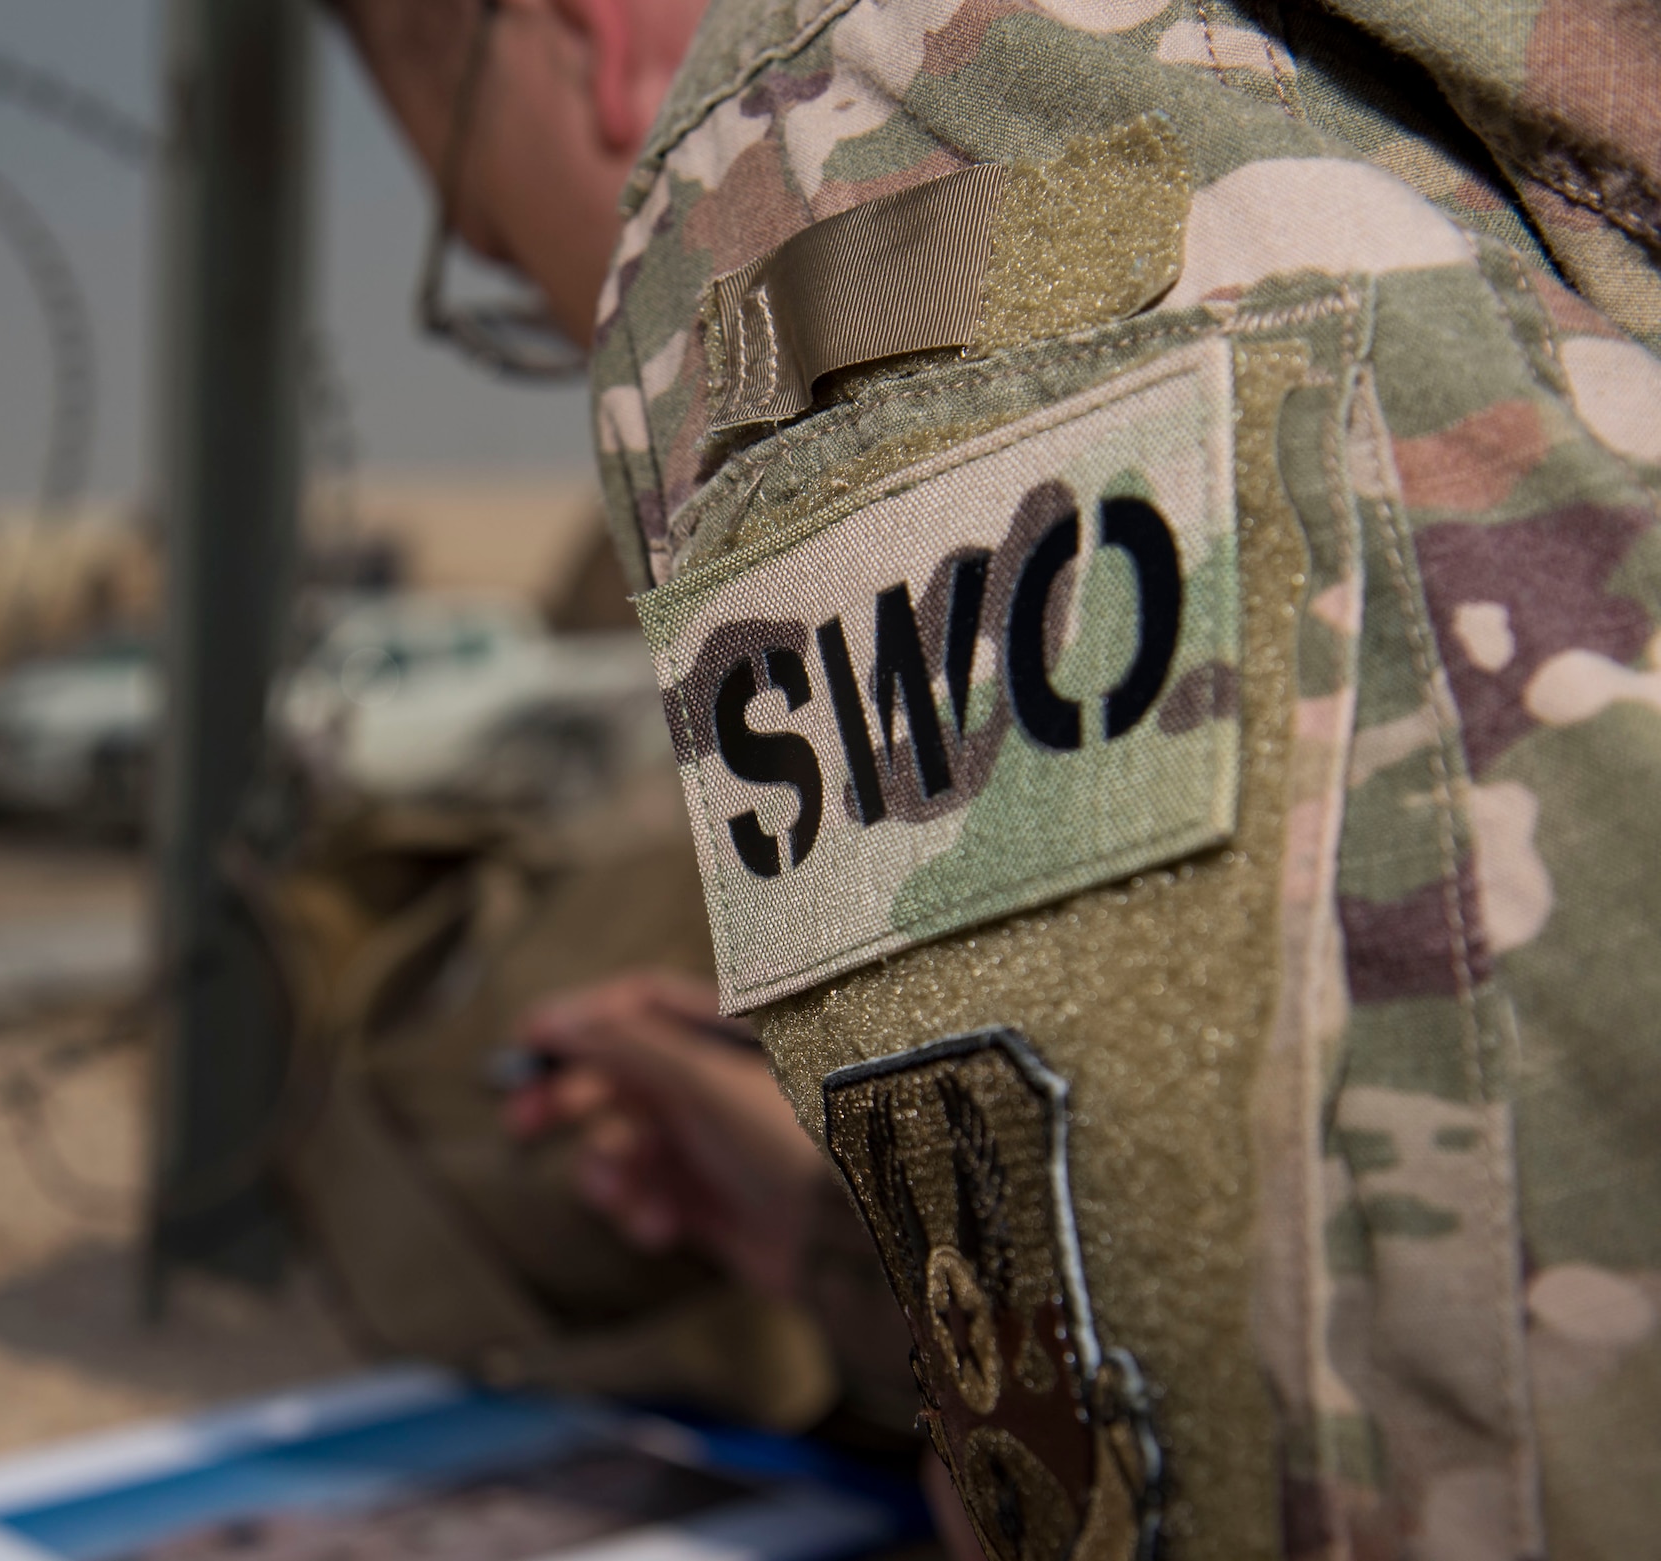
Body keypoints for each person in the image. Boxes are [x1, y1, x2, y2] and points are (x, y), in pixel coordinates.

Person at [326, 1, 1661, 1557]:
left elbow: (1344, 1467)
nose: (575, 333)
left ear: (592, 40)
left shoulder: (838, 127)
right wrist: (844, 1238)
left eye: (499, 245)